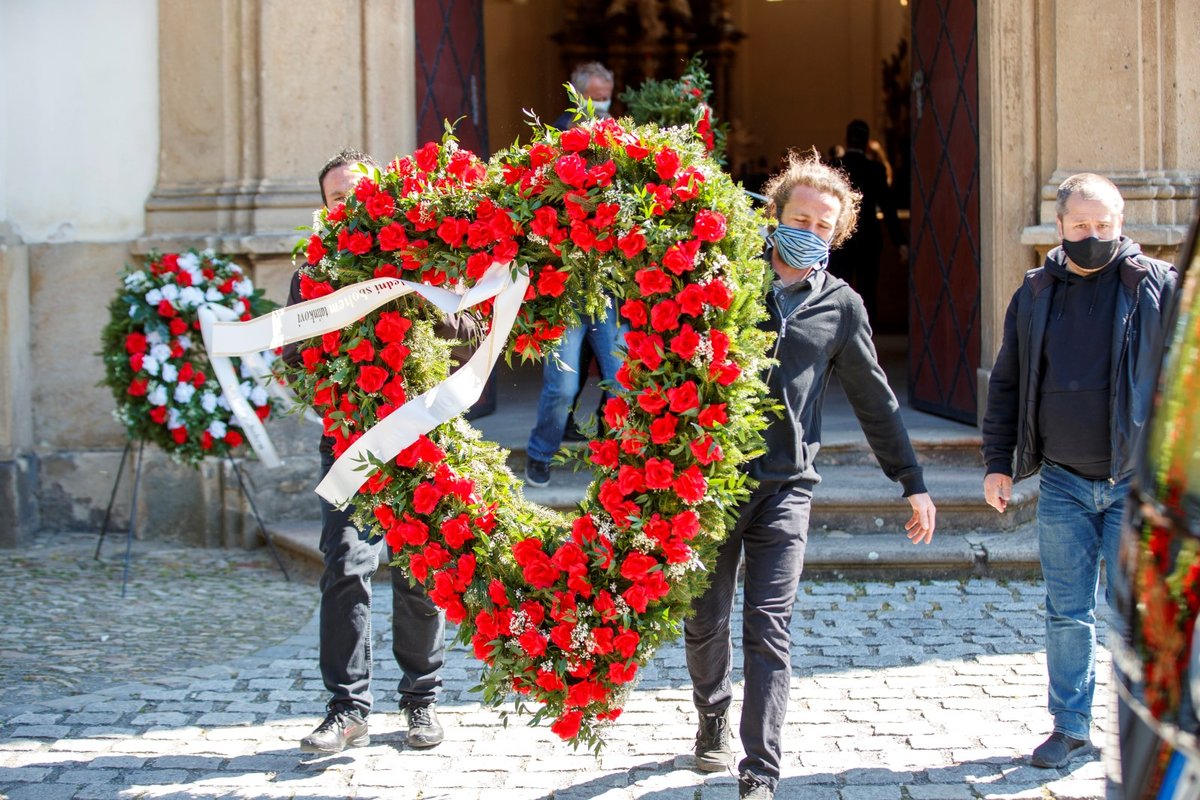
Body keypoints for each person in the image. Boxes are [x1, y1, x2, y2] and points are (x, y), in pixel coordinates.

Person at [684, 150, 937, 799]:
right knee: (705, 615)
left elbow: (876, 399)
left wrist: (910, 481)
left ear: (838, 232)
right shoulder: (727, 278)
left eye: (823, 226)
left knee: (769, 623)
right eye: (800, 218)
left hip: (788, 485)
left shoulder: (841, 307)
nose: (810, 231)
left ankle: (759, 769)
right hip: (714, 484)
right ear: (775, 217)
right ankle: (711, 710)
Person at [981, 173, 1176, 769]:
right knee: (1067, 611)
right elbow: (1008, 381)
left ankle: (1152, 733)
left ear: (1122, 224)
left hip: (1133, 483)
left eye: (1105, 225)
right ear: (1059, 226)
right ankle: (1071, 728)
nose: (1094, 236)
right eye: (1082, 225)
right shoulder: (1035, 293)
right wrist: (999, 463)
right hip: (1063, 481)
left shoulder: (1157, 288)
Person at [283, 148, 450, 754]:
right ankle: (347, 708)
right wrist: (335, 382)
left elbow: (463, 331)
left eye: (358, 194)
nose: (348, 205)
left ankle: (421, 701)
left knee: (418, 567)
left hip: (417, 435)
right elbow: (294, 355)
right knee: (346, 566)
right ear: (323, 208)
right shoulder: (310, 270)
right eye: (336, 198)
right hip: (347, 440)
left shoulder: (419, 256)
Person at [526, 65, 623, 480]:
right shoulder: (555, 142)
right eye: (595, 96)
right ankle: (540, 454)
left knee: (622, 378)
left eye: (607, 96)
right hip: (565, 288)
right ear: (579, 97)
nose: (601, 104)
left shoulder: (621, 140)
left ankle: (624, 460)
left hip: (606, 287)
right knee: (562, 385)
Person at [828, 120, 906, 322]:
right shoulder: (876, 170)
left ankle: (835, 334)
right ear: (866, 142)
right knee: (867, 290)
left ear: (846, 139)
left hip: (839, 238)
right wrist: (900, 241)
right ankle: (865, 338)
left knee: (835, 287)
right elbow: (888, 207)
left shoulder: (835, 167)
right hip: (868, 239)